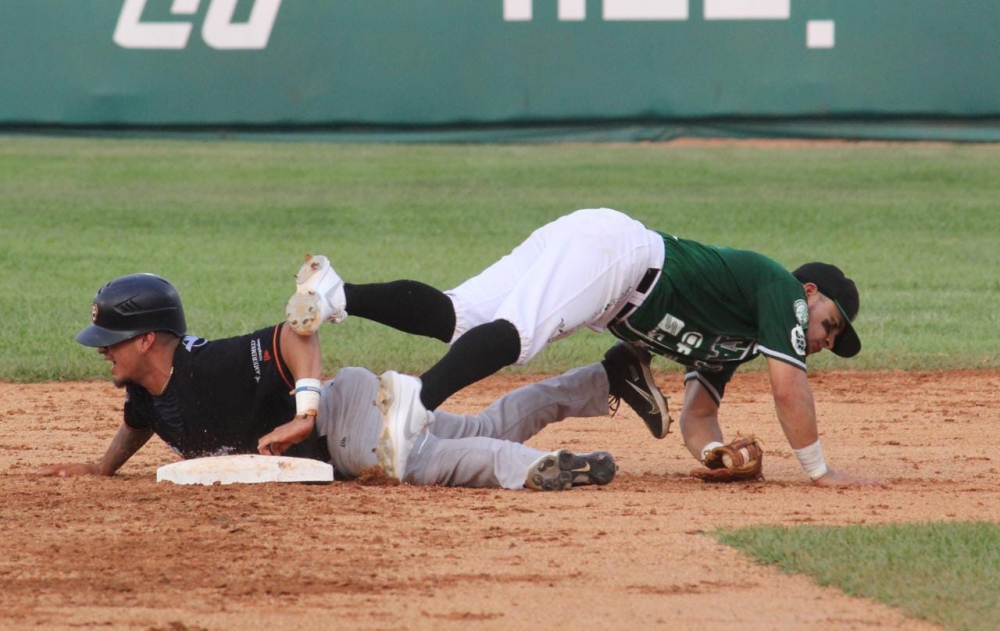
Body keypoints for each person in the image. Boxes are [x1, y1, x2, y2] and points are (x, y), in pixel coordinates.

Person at [284, 207, 875, 487]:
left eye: (834, 337)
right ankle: (414, 403)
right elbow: (787, 385)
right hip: (618, 259)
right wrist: (818, 471)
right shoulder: (781, 290)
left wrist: (714, 453)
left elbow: (698, 415)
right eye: (831, 324)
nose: (826, 339)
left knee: (461, 319)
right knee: (517, 336)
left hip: (600, 269)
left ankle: (338, 293)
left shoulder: (736, 342)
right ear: (810, 293)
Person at [38, 272, 617, 492]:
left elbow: (297, 334)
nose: (101, 353)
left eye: (110, 341)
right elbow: (137, 425)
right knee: (481, 425)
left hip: (344, 421)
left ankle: (534, 468)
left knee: (416, 466)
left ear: (145, 341)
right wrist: (100, 469)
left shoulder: (208, 366)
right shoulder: (145, 388)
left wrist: (306, 412)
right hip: (354, 413)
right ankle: (601, 379)